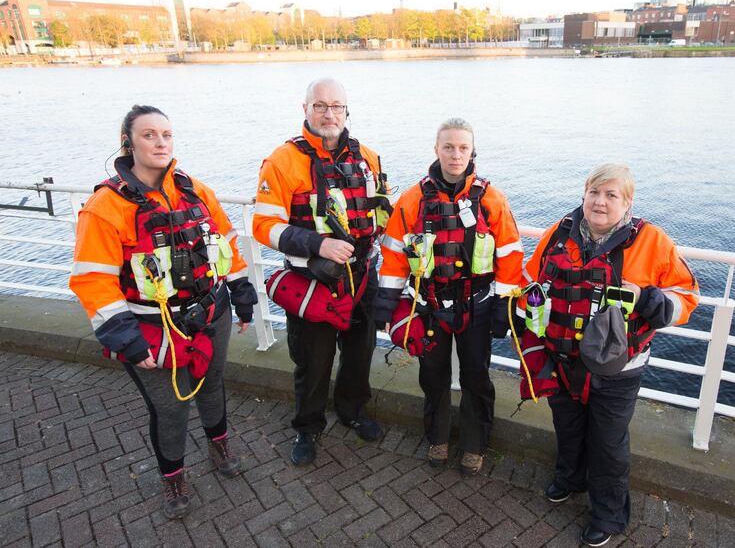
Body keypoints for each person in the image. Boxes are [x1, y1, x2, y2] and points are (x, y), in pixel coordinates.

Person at [70, 105, 258, 520]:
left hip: (211, 312)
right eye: (149, 135)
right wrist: (126, 340)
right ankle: (173, 476)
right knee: (171, 407)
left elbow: (225, 243)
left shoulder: (194, 190)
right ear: (128, 142)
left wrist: (242, 293)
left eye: (166, 135)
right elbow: (92, 280)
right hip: (152, 326)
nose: (160, 142)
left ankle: (219, 443)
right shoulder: (105, 206)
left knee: (212, 385)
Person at [517, 163, 699, 546]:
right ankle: (570, 478)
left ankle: (609, 516)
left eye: (611, 195)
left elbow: (686, 296)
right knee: (568, 428)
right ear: (584, 195)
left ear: (627, 202)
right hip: (562, 359)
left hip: (618, 370)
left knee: (608, 444)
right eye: (594, 193)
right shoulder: (559, 233)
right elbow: (531, 281)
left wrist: (649, 299)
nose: (600, 202)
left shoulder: (652, 241)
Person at [253, 78, 392, 466]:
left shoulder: (369, 156)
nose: (329, 114)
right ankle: (307, 427)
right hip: (312, 279)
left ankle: (352, 411)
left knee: (360, 351)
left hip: (363, 275)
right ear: (305, 109)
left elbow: (380, 209)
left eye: (337, 106)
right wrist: (317, 245)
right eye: (320, 106)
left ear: (347, 111)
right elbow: (264, 226)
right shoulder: (282, 161)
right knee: (313, 361)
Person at [376, 118, 523, 476]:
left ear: (473, 151)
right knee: (433, 374)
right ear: (436, 150)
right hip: (429, 306)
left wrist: (505, 306)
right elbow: (394, 256)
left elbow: (511, 254)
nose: (456, 154)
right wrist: (386, 304)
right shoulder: (412, 200)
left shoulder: (491, 199)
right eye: (448, 147)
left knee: (476, 375)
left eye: (463, 147)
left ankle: (475, 443)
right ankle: (437, 436)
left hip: (479, 305)